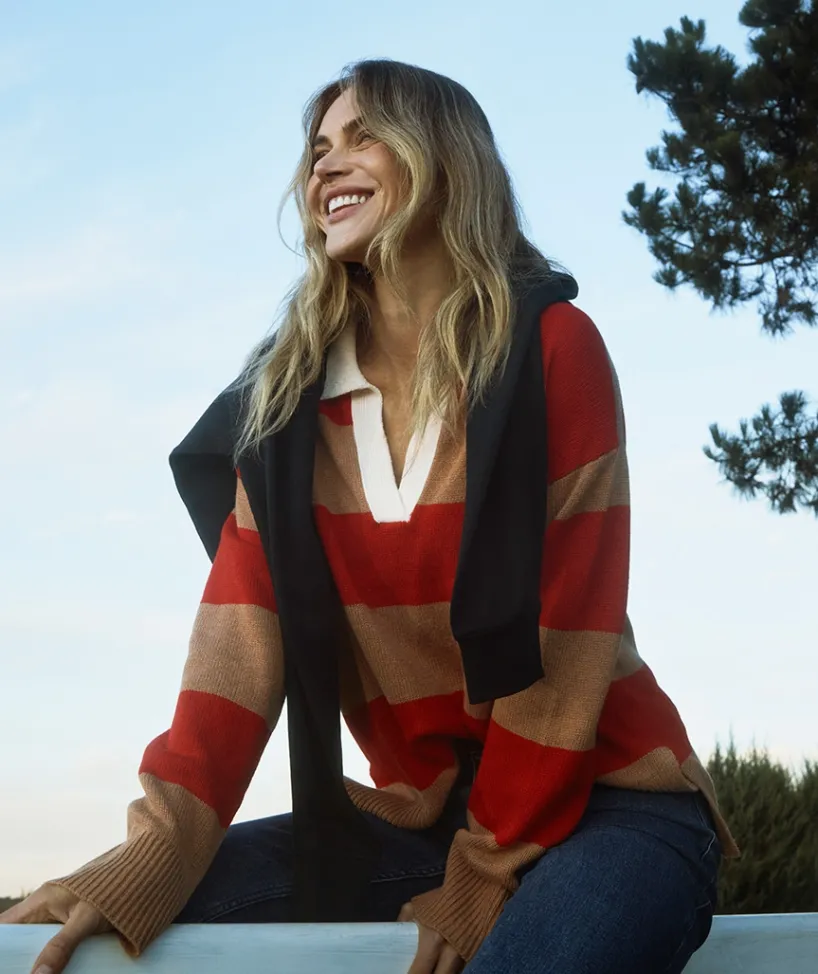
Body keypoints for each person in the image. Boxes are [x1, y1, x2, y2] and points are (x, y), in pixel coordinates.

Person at [1, 58, 738, 974]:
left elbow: (565, 644)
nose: (326, 164)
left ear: (444, 160)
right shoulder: (284, 412)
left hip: (613, 805)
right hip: (428, 820)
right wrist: (153, 853)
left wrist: (487, 870)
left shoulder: (553, 349)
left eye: (364, 136)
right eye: (318, 148)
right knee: (103, 924)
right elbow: (234, 661)